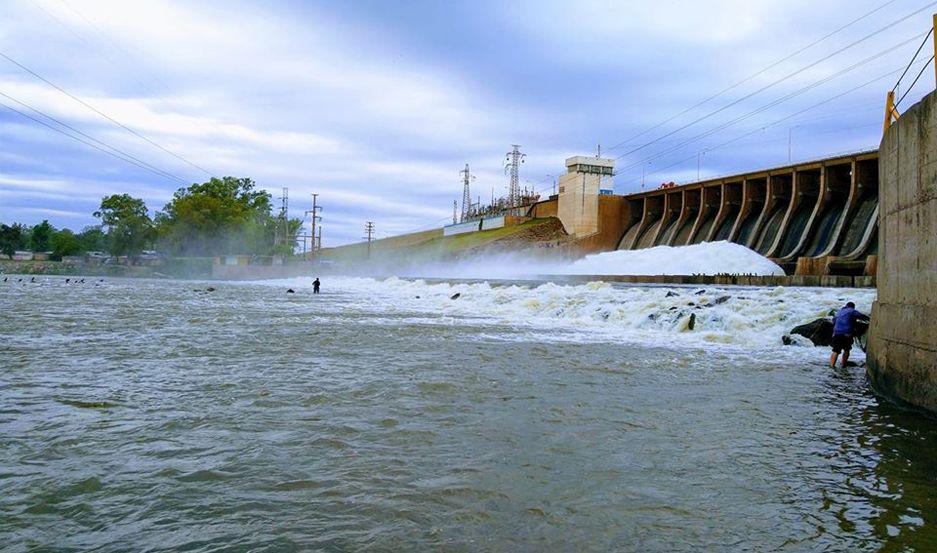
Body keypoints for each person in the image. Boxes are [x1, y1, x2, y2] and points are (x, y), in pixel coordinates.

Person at [830, 301, 868, 368]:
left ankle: (832, 365)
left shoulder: (839, 312)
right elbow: (861, 316)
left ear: (846, 305)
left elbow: (833, 321)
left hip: (836, 334)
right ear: (853, 306)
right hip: (846, 334)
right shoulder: (852, 311)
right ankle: (843, 365)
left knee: (836, 350)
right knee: (846, 350)